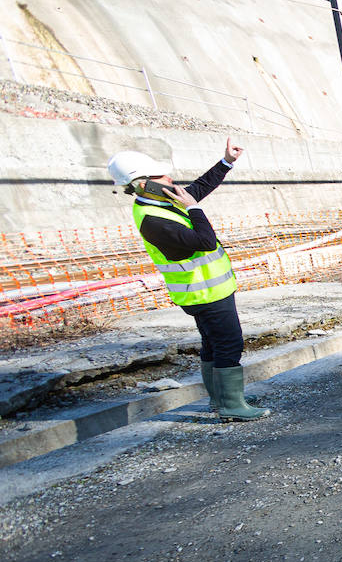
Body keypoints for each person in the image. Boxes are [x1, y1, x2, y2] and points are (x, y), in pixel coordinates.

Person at [108, 139, 268, 422]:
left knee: (212, 343)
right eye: (160, 176)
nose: (169, 178)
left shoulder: (160, 201)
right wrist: (195, 209)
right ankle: (231, 404)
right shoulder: (153, 220)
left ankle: (222, 399)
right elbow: (205, 241)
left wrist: (226, 162)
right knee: (229, 343)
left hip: (207, 290)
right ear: (144, 184)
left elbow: (197, 189)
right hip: (205, 294)